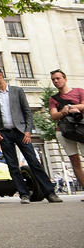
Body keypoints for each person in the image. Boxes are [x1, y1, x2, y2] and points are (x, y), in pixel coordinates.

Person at [0, 66, 60, 204]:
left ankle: (50, 193)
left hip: (21, 132)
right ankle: (24, 194)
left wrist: (28, 131)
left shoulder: (17, 91)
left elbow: (27, 112)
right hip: (3, 134)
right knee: (12, 166)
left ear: (0, 75)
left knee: (34, 162)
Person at [48, 68, 84, 201]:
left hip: (81, 129)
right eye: (53, 80)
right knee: (75, 162)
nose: (56, 81)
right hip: (64, 132)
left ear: (65, 78)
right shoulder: (53, 99)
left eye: (58, 78)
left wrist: (74, 107)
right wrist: (64, 111)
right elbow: (53, 115)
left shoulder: (79, 91)